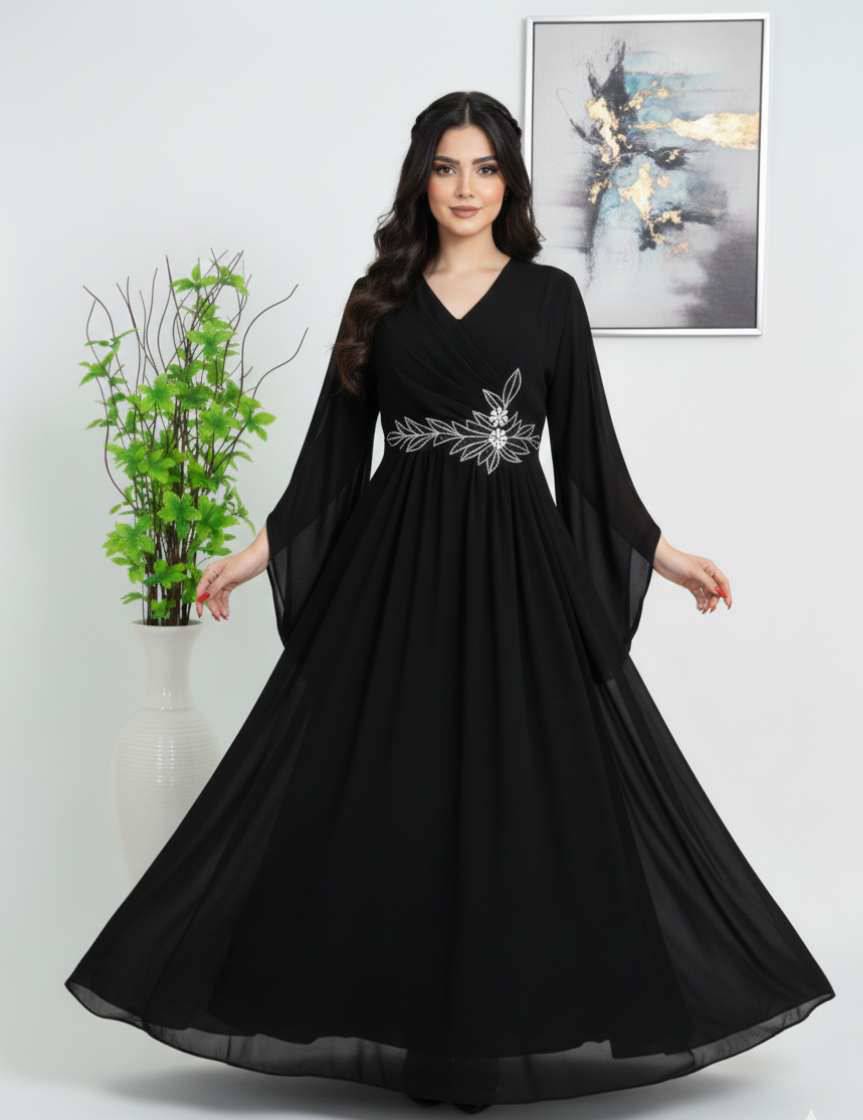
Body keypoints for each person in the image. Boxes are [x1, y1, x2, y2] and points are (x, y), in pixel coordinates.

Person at [65, 91, 835, 1111]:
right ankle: (402, 1020)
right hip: (394, 575)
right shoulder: (376, 298)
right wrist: (254, 553)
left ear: (508, 180)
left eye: (483, 167)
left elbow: (589, 457)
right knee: (397, 787)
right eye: (444, 167)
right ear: (419, 180)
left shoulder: (548, 298)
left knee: (523, 789)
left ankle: (509, 1024)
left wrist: (662, 552)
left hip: (519, 574)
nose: (464, 188)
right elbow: (331, 455)